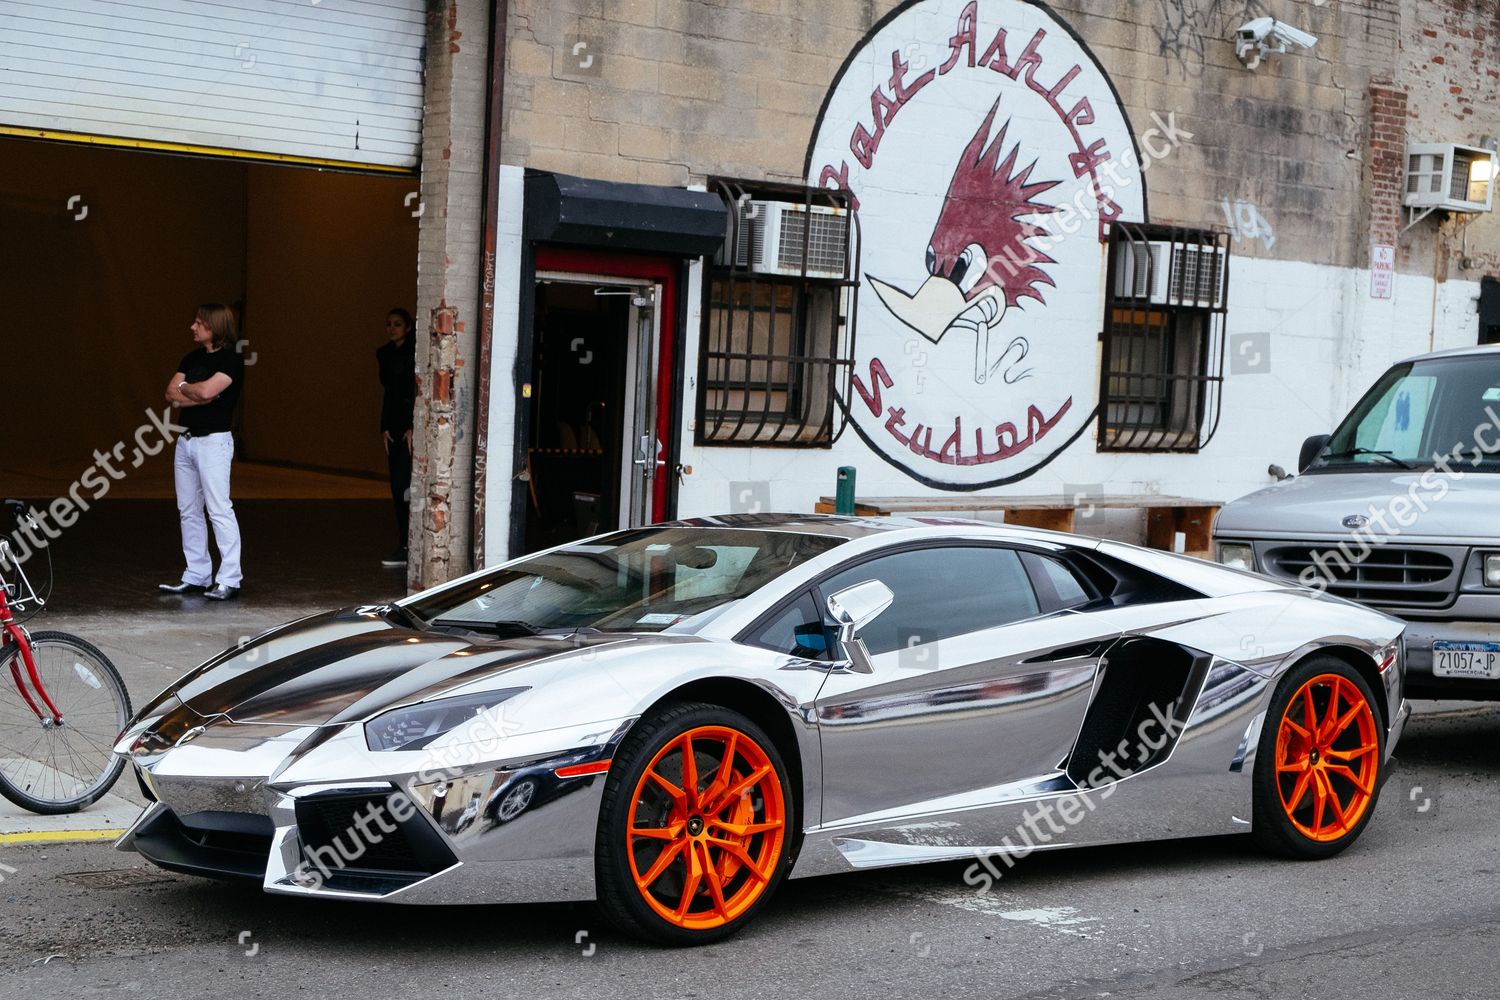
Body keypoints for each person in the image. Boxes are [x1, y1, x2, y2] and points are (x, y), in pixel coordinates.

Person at [158, 303, 245, 600]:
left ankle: (230, 578)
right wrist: (193, 389)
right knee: (188, 510)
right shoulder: (191, 357)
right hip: (187, 441)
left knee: (219, 508)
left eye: (198, 323)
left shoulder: (232, 360)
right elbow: (172, 393)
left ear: (213, 326)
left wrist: (190, 390)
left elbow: (208, 393)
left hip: (213, 442)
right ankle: (197, 575)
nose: (192, 327)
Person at [377, 308, 417, 567]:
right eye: (389, 324)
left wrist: (415, 426)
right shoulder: (383, 354)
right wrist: (383, 428)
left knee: (407, 487)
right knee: (397, 487)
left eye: (398, 324)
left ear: (409, 327)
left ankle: (409, 544)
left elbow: (415, 390)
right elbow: (389, 393)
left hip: (410, 427)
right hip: (393, 428)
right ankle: (404, 543)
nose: (392, 328)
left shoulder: (416, 351)